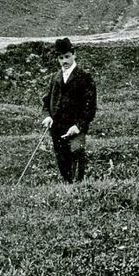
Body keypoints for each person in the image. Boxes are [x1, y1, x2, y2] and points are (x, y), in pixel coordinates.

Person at [41, 37, 97, 183]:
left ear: (74, 55)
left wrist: (78, 126)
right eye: (61, 58)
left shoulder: (84, 77)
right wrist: (47, 116)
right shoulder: (55, 77)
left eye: (67, 56)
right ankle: (67, 188)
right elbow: (47, 102)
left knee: (77, 158)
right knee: (62, 161)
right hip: (57, 129)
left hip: (76, 129)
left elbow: (90, 107)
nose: (64, 61)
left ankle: (79, 190)